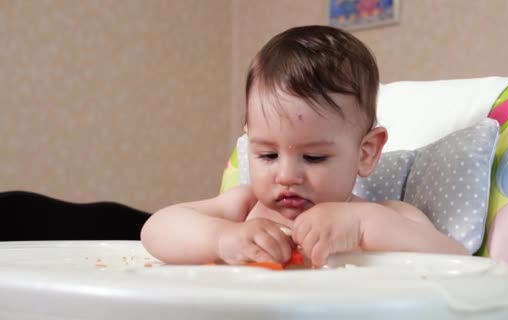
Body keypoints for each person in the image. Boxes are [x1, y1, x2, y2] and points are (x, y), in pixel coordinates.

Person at [140, 25, 468, 267]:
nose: (286, 175)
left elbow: (461, 266)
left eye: (313, 157)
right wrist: (221, 239)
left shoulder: (385, 217)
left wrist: (362, 226)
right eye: (268, 154)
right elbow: (156, 230)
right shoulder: (243, 209)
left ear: (365, 152)